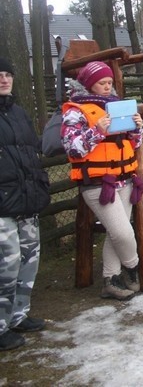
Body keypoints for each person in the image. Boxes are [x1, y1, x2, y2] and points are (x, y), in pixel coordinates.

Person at [62, 61, 143, 300]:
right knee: (122, 233)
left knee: (114, 232)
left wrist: (137, 129)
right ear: (89, 84)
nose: (107, 87)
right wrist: (97, 130)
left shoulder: (118, 107)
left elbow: (135, 145)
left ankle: (111, 280)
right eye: (102, 83)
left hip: (125, 178)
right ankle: (133, 267)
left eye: (110, 82)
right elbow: (73, 148)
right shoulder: (75, 112)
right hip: (98, 182)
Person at [0, 58, 50, 351]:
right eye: (0, 75)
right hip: (3, 206)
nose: (4, 80)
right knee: (5, 267)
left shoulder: (18, 113)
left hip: (27, 201)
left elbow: (31, 150)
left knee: (28, 261)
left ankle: (19, 315)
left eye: (8, 74)